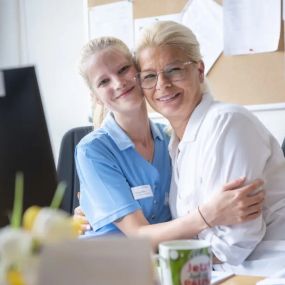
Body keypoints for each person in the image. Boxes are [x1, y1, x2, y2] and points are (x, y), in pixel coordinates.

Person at [74, 36, 264, 250]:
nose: (118, 83)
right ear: (96, 98)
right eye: (103, 81)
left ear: (140, 73)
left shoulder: (170, 140)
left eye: (123, 70)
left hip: (166, 260)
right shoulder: (93, 151)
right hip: (110, 265)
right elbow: (138, 236)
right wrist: (209, 214)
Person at [134, 20, 285, 276]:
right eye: (150, 76)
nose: (162, 84)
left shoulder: (227, 123)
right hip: (220, 272)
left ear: (200, 70)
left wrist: (161, 253)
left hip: (265, 270)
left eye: (173, 70)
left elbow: (235, 244)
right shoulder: (173, 143)